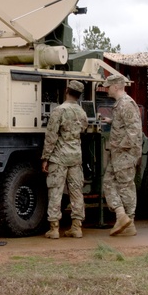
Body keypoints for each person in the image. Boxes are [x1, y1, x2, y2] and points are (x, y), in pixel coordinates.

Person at [41, 79, 88, 239]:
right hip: (75, 157)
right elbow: (84, 128)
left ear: (67, 90)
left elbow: (51, 136)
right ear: (79, 95)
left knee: (55, 191)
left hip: (59, 158)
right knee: (76, 192)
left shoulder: (59, 111)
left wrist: (45, 157)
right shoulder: (82, 113)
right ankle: (77, 227)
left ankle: (54, 228)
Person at [102, 73, 141, 236]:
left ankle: (128, 222)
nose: (106, 89)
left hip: (124, 154)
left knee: (126, 187)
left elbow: (134, 131)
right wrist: (111, 121)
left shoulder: (126, 104)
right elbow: (125, 125)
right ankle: (121, 216)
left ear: (117, 86)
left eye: (108, 86)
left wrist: (118, 146)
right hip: (119, 154)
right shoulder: (120, 104)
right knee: (108, 182)